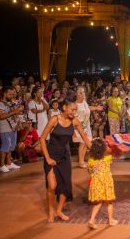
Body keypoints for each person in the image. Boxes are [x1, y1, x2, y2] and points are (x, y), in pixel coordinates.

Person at [40, 94, 92, 222]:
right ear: (64, 107)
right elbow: (42, 139)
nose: (74, 112)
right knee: (52, 186)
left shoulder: (74, 121)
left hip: (65, 156)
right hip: (51, 155)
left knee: (66, 186)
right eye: (72, 110)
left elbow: (85, 138)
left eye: (76, 110)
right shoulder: (54, 120)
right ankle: (51, 210)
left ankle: (58, 210)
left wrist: (97, 151)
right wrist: (47, 158)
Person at [87, 138, 118, 229]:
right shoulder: (107, 159)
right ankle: (111, 220)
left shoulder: (90, 161)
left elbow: (89, 171)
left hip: (96, 183)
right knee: (109, 202)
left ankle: (92, 220)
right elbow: (113, 152)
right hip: (106, 183)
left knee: (98, 203)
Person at [74, 86, 102, 169]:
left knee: (86, 143)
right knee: (82, 143)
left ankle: (82, 160)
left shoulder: (84, 102)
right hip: (80, 127)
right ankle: (80, 162)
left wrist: (96, 108)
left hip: (87, 126)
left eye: (83, 92)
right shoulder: (75, 104)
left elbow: (88, 108)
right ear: (77, 94)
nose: (83, 94)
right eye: (80, 92)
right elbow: (74, 117)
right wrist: (80, 126)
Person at [0, 87, 23, 173]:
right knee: (5, 146)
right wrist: (14, 112)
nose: (12, 96)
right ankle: (2, 165)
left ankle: (9, 163)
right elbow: (1, 116)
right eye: (10, 94)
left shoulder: (9, 103)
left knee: (11, 146)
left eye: (13, 94)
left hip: (13, 128)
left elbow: (13, 113)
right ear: (5, 93)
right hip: (5, 129)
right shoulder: (0, 104)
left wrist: (17, 112)